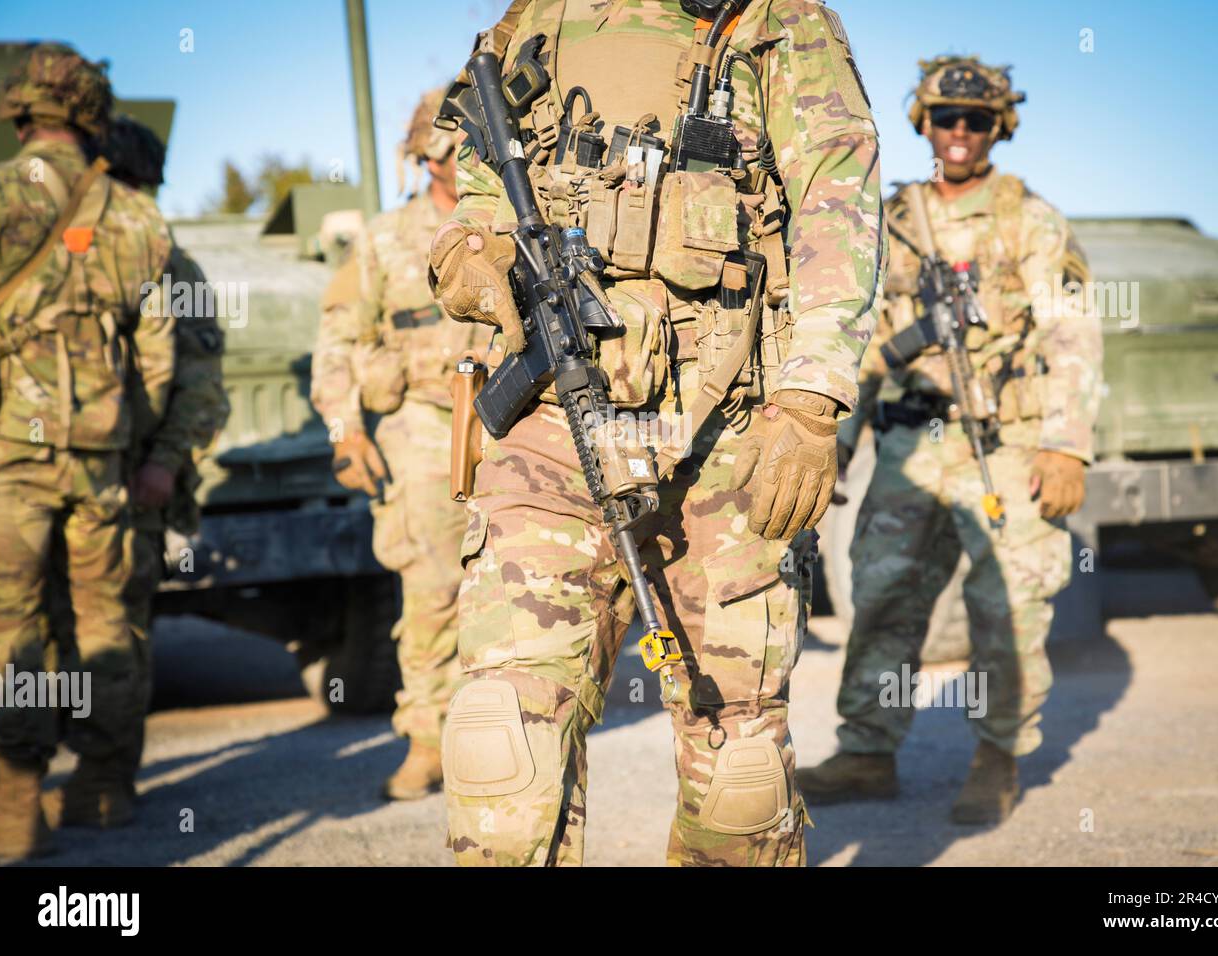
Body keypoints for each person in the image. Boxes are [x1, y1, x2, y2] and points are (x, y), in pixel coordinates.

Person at [428, 0, 884, 866]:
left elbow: (838, 198)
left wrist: (813, 398)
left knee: (740, 767)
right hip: (552, 424)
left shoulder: (775, 21)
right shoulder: (533, 21)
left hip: (730, 430)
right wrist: (468, 256)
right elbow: (479, 191)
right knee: (500, 738)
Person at [797, 55, 1103, 824]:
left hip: (1006, 442)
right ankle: (867, 751)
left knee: (1007, 605)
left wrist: (1066, 445)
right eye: (945, 117)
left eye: (975, 120)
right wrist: (829, 446)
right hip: (911, 447)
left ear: (998, 128)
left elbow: (1071, 332)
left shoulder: (1029, 220)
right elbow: (859, 341)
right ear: (923, 124)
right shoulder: (893, 221)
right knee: (883, 594)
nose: (959, 132)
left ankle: (998, 755)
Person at [0, 44, 175, 858]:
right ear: (92, 114)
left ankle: (15, 802)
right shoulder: (138, 221)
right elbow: (162, 358)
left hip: (6, 461)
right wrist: (140, 447)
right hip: (103, 462)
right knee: (109, 623)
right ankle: (103, 789)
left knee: (10, 626)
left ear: (21, 110)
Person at [42, 113, 229, 829]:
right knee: (40, 625)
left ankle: (103, 780)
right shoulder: (52, 254)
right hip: (46, 476)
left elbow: (203, 385)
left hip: (129, 484)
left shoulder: (171, 266)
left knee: (114, 632)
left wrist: (161, 463)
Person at [311, 87, 477, 799]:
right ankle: (427, 736)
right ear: (430, 153)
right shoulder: (383, 238)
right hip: (420, 422)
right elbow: (339, 337)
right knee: (433, 586)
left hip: (511, 421)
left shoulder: (514, 226)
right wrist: (345, 426)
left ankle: (498, 734)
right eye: (456, 147)